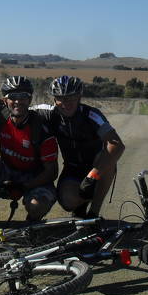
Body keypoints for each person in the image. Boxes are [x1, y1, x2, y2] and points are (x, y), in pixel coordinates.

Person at [0, 76, 59, 233]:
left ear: (30, 100)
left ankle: (32, 221)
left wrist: (24, 187)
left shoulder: (40, 129)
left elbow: (52, 172)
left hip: (35, 177)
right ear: (4, 100)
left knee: (37, 205)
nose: (18, 101)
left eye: (23, 97)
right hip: (8, 171)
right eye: (13, 97)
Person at [32, 75, 125, 218]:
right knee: (67, 202)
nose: (65, 103)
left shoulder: (91, 115)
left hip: (96, 167)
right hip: (72, 167)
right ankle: (81, 206)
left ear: (79, 97)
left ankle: (94, 214)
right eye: (60, 98)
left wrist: (93, 175)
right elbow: (20, 109)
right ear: (54, 99)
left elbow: (117, 145)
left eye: (71, 97)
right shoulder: (50, 113)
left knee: (109, 160)